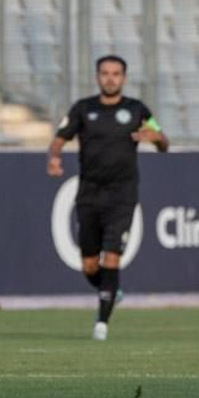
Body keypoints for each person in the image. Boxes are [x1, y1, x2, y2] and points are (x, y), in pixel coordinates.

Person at [46, 54, 168, 341]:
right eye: (105, 73)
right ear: (98, 76)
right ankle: (111, 291)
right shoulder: (83, 109)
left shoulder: (137, 110)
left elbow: (163, 140)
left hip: (122, 195)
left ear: (124, 78)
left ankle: (102, 323)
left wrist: (157, 138)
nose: (110, 78)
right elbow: (58, 139)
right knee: (90, 265)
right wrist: (54, 158)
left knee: (112, 257)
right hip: (89, 194)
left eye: (116, 73)